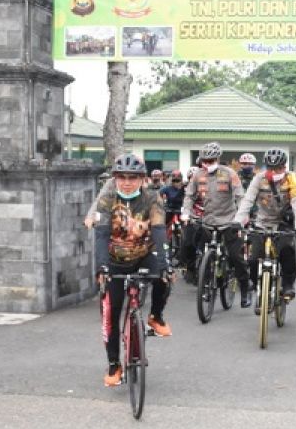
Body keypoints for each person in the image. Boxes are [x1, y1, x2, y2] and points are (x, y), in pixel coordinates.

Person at [95, 153, 171, 387]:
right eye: (122, 177)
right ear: (115, 178)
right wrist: (102, 265)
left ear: (142, 179)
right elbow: (101, 234)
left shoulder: (152, 198)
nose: (127, 182)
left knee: (164, 278)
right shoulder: (107, 198)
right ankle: (114, 364)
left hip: (143, 254)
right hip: (114, 259)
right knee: (110, 315)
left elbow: (158, 230)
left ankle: (155, 317)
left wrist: (164, 262)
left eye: (133, 177)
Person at [232, 148, 296, 302]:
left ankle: (287, 285)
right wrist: (238, 220)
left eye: (278, 168)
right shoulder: (259, 179)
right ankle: (258, 284)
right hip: (262, 222)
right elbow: (248, 200)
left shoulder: (293, 179)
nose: (274, 171)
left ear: (284, 167)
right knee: (252, 260)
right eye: (270, 168)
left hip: (283, 222)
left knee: (287, 253)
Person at [179, 142, 250, 304]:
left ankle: (245, 290)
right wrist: (185, 213)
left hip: (229, 222)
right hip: (207, 222)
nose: (207, 164)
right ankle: (205, 284)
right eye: (205, 161)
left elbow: (240, 196)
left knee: (235, 256)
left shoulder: (229, 173)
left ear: (217, 159)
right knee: (202, 254)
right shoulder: (198, 175)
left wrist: (241, 217)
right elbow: (189, 195)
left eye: (211, 161)